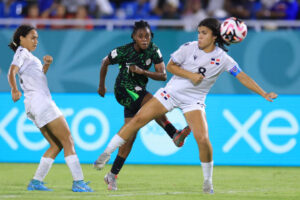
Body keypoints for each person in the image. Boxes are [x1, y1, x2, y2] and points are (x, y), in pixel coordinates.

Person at [94, 18, 278, 193]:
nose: (199, 36)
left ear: (215, 36)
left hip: (194, 101)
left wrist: (263, 93)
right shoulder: (189, 48)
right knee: (138, 119)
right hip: (171, 93)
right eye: (198, 32)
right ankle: (106, 154)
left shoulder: (223, 59)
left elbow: (242, 76)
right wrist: (191, 76)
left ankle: (207, 181)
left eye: (204, 33)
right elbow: (171, 67)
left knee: (203, 139)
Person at [93, 20, 191, 191]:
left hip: (139, 90)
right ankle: (173, 133)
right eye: (140, 36)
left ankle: (112, 175)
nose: (144, 39)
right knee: (154, 103)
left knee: (130, 135)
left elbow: (162, 75)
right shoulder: (124, 51)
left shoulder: (153, 50)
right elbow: (104, 62)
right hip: (123, 90)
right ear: (134, 37)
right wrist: (101, 85)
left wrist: (142, 71)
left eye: (147, 36)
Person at [7, 25, 93, 192]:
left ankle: (36, 182)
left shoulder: (28, 57)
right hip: (42, 102)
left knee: (56, 145)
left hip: (33, 105)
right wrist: (14, 89)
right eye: (32, 37)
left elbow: (38, 78)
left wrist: (45, 65)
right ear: (21, 39)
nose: (36, 41)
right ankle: (78, 182)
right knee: (68, 139)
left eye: (37, 38)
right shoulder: (22, 52)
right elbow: (11, 71)